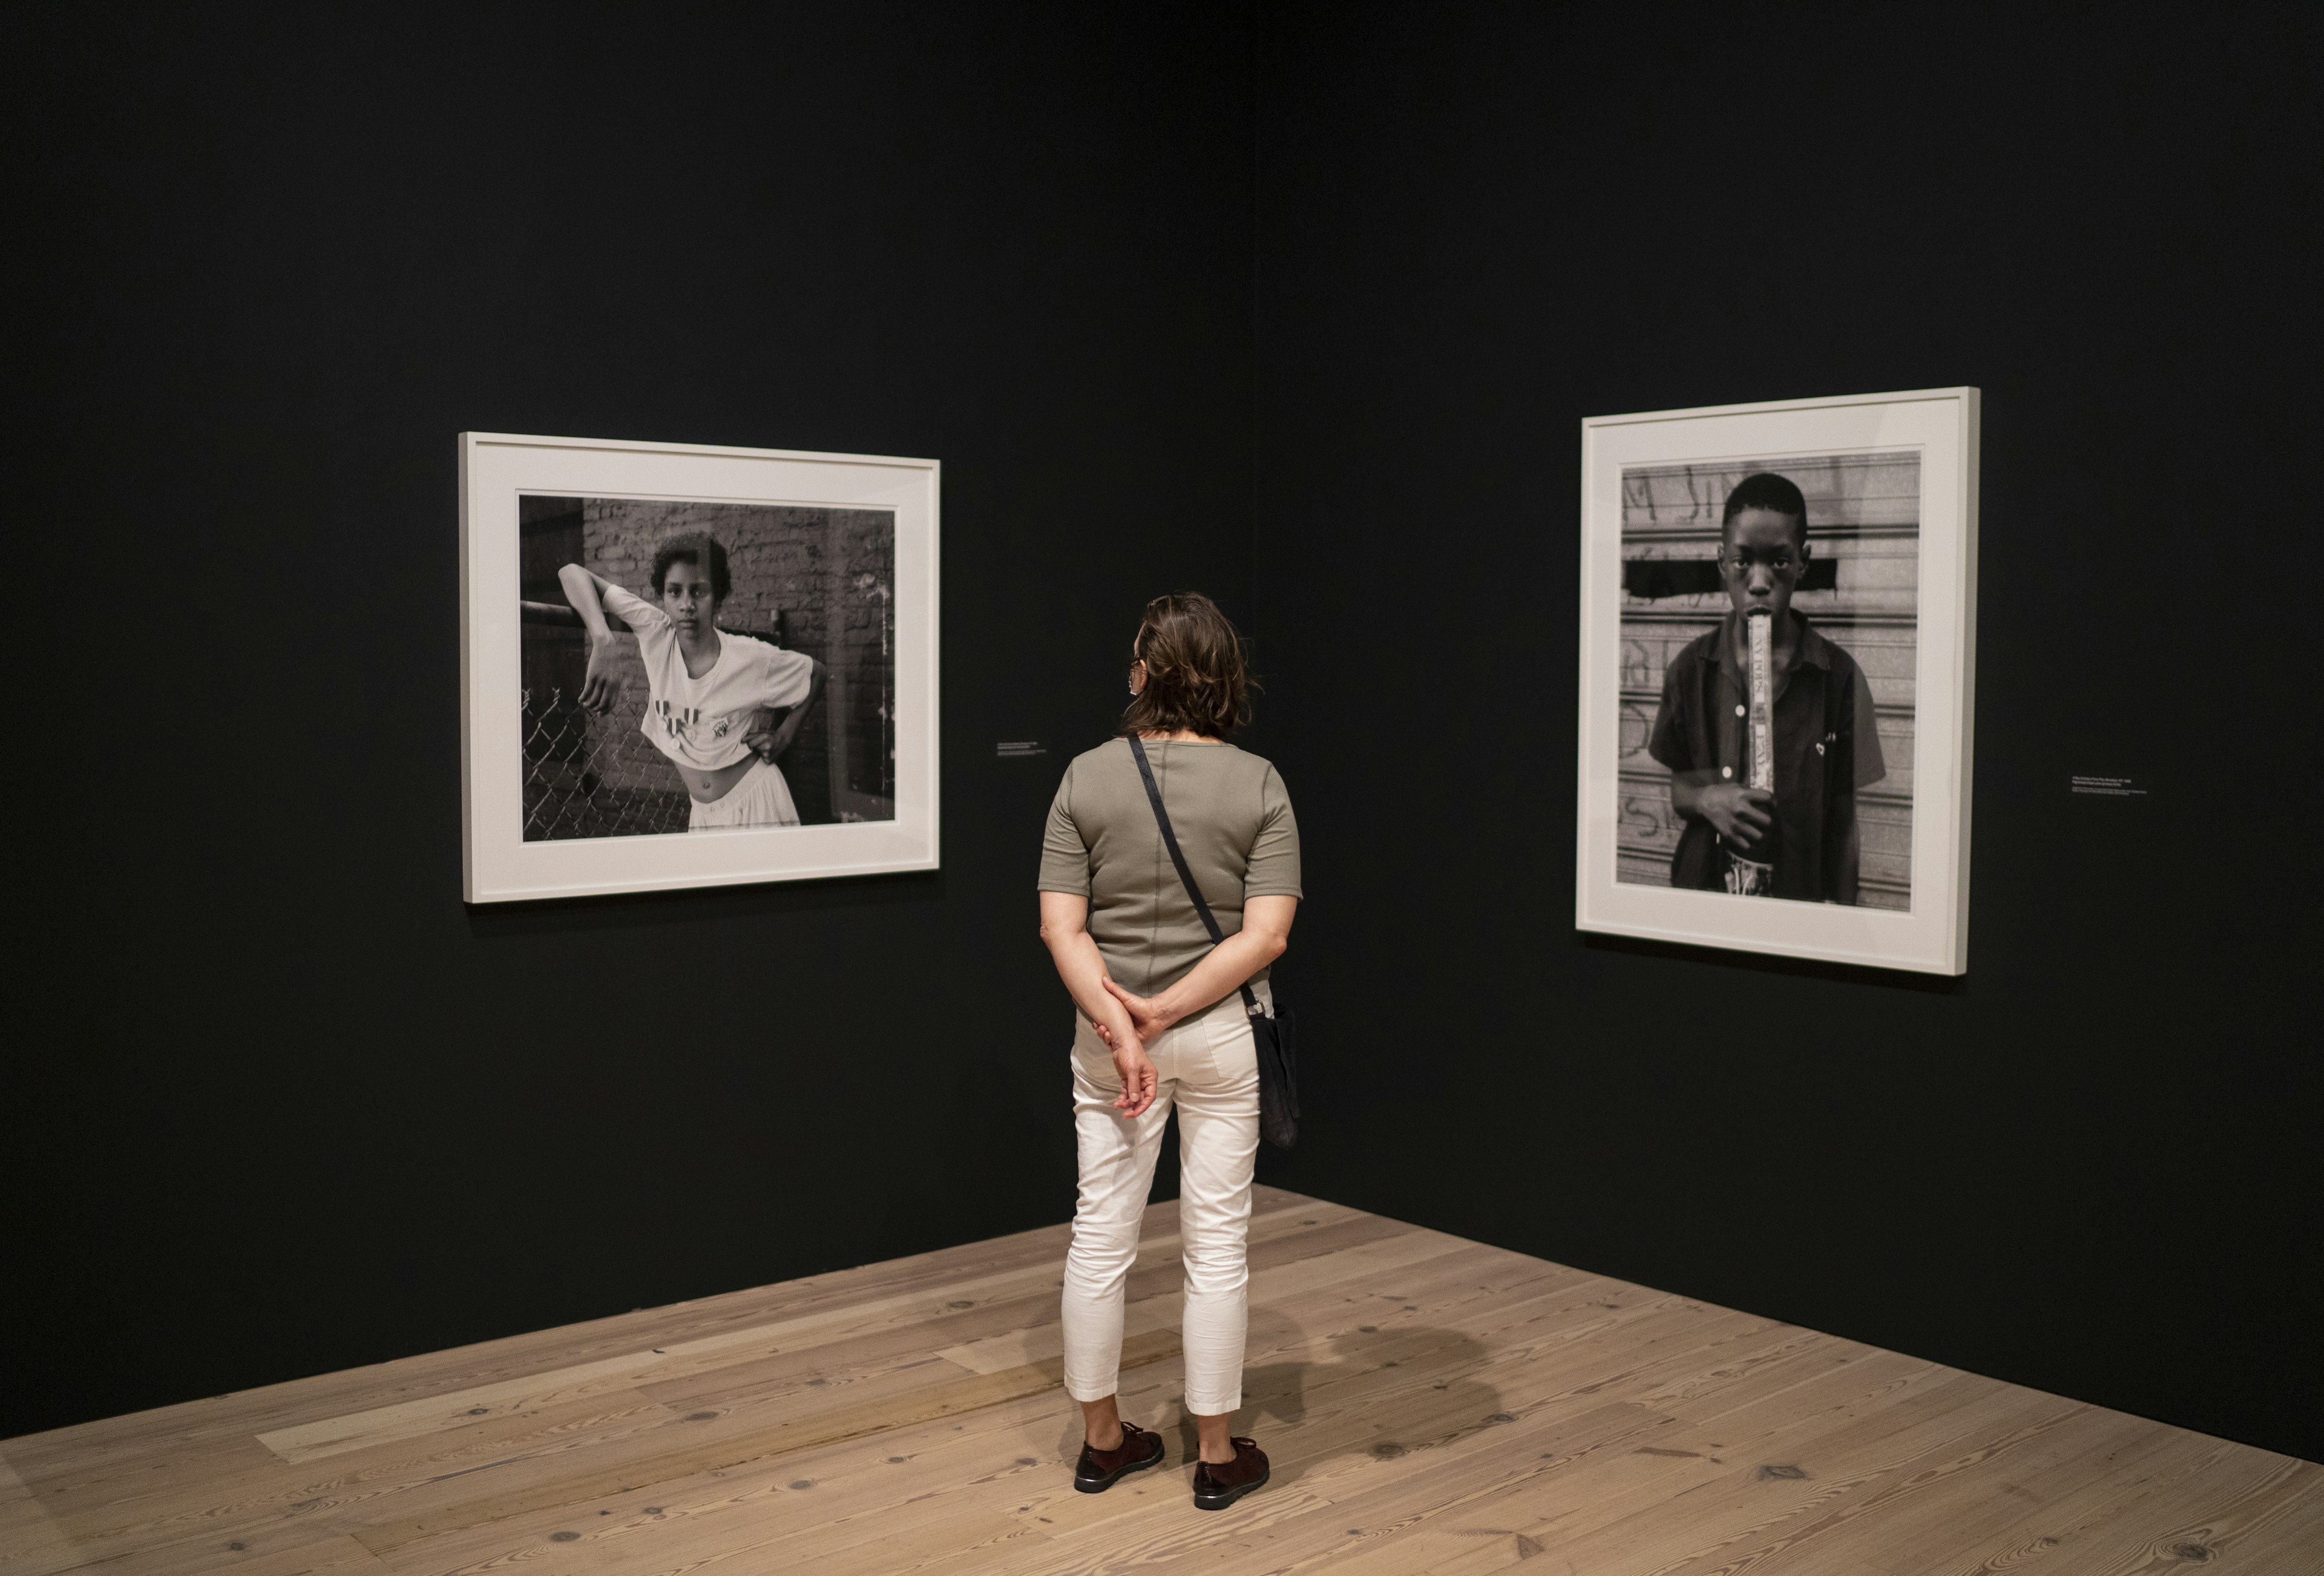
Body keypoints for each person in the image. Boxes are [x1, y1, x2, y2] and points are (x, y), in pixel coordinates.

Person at [1037, 592, 1301, 1512]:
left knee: (1101, 1237)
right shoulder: (1260, 783)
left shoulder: (1083, 778)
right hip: (1220, 1034)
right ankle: (1218, 1454)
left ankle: (1104, 1443)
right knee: (1216, 1245)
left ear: (1142, 675)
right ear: (1227, 681)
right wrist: (1172, 1011)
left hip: (1109, 1041)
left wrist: (1123, 1025)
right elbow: (1266, 938)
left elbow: (1060, 930)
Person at [1647, 471, 1885, 903]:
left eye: (1778, 561)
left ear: (1803, 562)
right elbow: (1679, 788)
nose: (1759, 582)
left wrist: (1847, 919)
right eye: (1743, 562)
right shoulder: (1689, 670)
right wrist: (1706, 800)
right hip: (1702, 898)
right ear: (1723, 563)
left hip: (1797, 905)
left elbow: (1845, 820)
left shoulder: (1840, 678)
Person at [557, 533, 824, 831]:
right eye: (675, 592)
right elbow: (571, 573)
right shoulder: (655, 632)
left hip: (757, 803)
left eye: (699, 592)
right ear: (663, 596)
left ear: (718, 597)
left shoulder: (749, 656)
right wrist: (603, 638)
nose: (686, 605)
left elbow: (816, 673)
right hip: (703, 815)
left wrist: (785, 735)